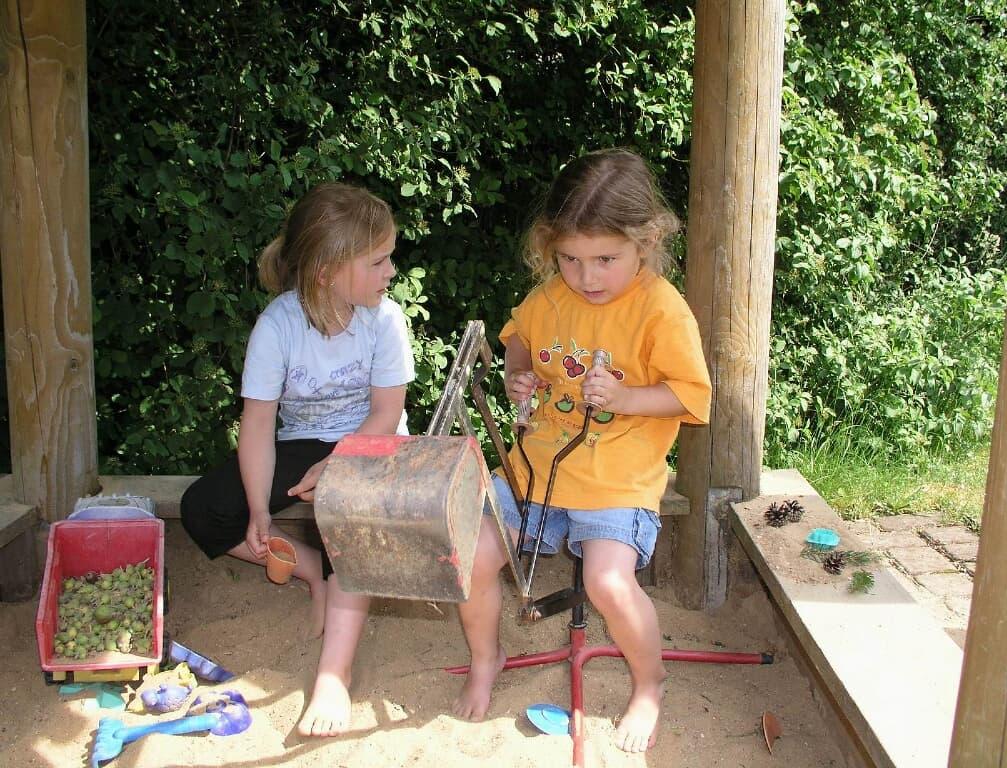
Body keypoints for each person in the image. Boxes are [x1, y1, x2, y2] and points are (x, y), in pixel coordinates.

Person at [453, 149, 711, 754]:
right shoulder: (551, 297)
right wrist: (518, 376)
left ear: (646, 241)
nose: (586, 277)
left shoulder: (661, 310)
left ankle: (648, 683)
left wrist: (626, 397)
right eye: (569, 258)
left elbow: (690, 395)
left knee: (607, 582)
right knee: (472, 554)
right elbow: (518, 340)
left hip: (618, 475)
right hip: (536, 468)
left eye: (605, 260)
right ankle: (487, 659)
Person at [180, 182, 415, 737]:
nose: (391, 272)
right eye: (378, 261)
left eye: (389, 258)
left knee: (346, 512)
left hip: (372, 441)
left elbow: (386, 413)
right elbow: (259, 424)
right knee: (202, 509)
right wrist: (259, 509)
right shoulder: (278, 325)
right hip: (302, 442)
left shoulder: (385, 320)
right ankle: (312, 571)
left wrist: (337, 464)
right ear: (328, 271)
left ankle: (334, 673)